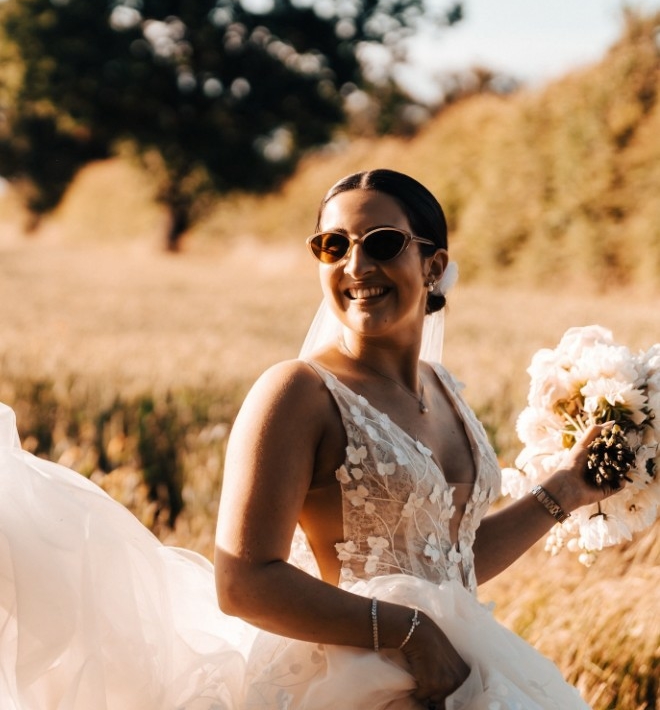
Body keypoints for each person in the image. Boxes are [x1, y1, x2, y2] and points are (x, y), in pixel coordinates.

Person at [0, 169, 613, 709]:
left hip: (455, 668)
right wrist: (411, 634)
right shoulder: (297, 392)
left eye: (382, 243)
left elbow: (450, 565)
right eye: (333, 246)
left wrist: (567, 489)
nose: (355, 265)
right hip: (346, 684)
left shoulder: (443, 386)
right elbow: (243, 582)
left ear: (433, 264)